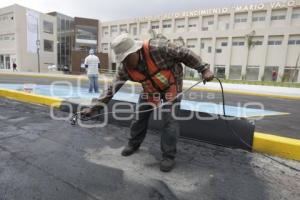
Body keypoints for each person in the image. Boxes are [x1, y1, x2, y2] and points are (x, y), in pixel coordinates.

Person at [82, 33, 214, 172]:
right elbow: (111, 90)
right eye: (122, 60)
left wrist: (203, 69)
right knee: (139, 117)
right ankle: (133, 144)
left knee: (170, 121)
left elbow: (185, 53)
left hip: (171, 85)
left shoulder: (158, 48)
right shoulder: (125, 68)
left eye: (127, 58)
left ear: (136, 51)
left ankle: (168, 156)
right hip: (150, 89)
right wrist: (94, 108)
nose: (125, 62)